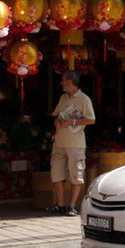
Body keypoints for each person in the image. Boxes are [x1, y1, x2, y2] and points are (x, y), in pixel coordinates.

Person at [49, 70, 95, 216]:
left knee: (76, 175)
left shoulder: (84, 99)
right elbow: (56, 114)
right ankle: (60, 204)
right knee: (56, 173)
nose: (61, 83)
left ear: (69, 82)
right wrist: (56, 121)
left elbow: (91, 120)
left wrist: (73, 121)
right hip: (59, 142)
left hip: (76, 144)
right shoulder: (63, 97)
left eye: (63, 80)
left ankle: (72, 205)